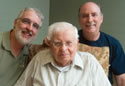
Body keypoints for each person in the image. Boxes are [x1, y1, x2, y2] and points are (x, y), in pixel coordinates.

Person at [15, 22, 111, 86]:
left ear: (76, 44)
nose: (63, 49)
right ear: (50, 44)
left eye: (69, 43)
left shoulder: (89, 62)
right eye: (57, 43)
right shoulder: (39, 59)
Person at [78, 1, 125, 85]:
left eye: (94, 15)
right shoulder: (70, 40)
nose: (89, 19)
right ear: (79, 20)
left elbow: (121, 79)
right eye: (85, 16)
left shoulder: (113, 45)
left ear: (101, 19)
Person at [0, 8, 44, 86]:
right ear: (15, 22)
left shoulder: (30, 52)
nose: (30, 28)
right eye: (26, 22)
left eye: (35, 26)